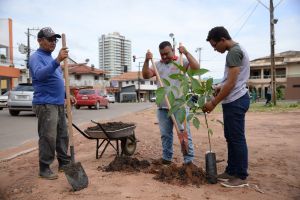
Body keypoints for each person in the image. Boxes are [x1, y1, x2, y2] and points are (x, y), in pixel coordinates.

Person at [203, 26, 250, 187]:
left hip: (236, 100)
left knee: (237, 138)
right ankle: (231, 170)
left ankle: (241, 175)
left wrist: (213, 102)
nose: (215, 50)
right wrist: (219, 86)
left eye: (215, 45)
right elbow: (229, 80)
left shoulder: (234, 52)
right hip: (233, 100)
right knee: (231, 137)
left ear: (223, 40)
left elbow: (231, 83)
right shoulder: (235, 51)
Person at [142, 41, 200, 165]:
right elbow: (146, 75)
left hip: (179, 106)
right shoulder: (157, 65)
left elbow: (196, 68)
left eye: (166, 53)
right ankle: (167, 158)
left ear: (173, 51)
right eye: (161, 54)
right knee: (165, 135)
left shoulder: (181, 62)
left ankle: (188, 161)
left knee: (184, 133)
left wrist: (186, 52)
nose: (164, 57)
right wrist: (147, 61)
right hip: (163, 107)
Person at [29, 27, 71, 180]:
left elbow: (58, 80)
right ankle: (44, 167)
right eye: (50, 39)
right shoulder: (36, 58)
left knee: (62, 135)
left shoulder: (50, 58)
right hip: (46, 103)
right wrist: (58, 60)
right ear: (40, 40)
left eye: (55, 40)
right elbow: (40, 75)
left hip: (58, 103)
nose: (53, 42)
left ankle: (64, 162)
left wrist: (67, 94)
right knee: (48, 136)